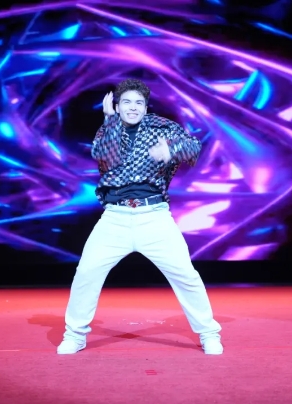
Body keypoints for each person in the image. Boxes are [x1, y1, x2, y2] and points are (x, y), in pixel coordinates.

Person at [57, 79, 223, 355]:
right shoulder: (109, 129)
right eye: (126, 102)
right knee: (86, 273)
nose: (132, 107)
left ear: (145, 107)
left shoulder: (162, 127)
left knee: (186, 275)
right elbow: (105, 158)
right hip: (115, 218)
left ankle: (209, 333)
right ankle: (74, 335)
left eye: (138, 103)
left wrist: (171, 150)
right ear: (117, 106)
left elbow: (193, 147)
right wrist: (110, 120)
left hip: (154, 217)